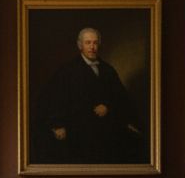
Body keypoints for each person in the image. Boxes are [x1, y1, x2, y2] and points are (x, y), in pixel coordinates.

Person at [38, 27, 144, 163]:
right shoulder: (67, 70)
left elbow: (121, 97)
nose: (92, 47)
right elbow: (55, 99)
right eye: (88, 43)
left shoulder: (108, 70)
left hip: (105, 127)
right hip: (78, 128)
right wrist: (58, 124)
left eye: (95, 43)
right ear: (80, 45)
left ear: (99, 44)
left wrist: (108, 106)